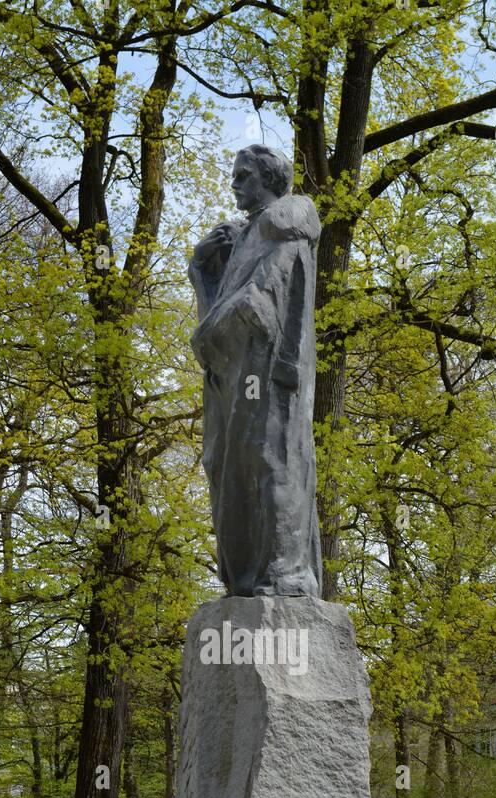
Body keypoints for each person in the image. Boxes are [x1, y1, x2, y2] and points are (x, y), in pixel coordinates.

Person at [189, 145, 323, 598]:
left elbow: (274, 299)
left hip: (268, 372)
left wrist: (243, 314)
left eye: (244, 176)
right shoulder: (240, 239)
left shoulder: (285, 224)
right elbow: (216, 322)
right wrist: (201, 271)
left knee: (272, 460)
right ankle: (244, 577)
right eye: (235, 176)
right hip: (230, 378)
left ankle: (287, 573)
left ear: (268, 179)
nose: (235, 184)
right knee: (226, 467)